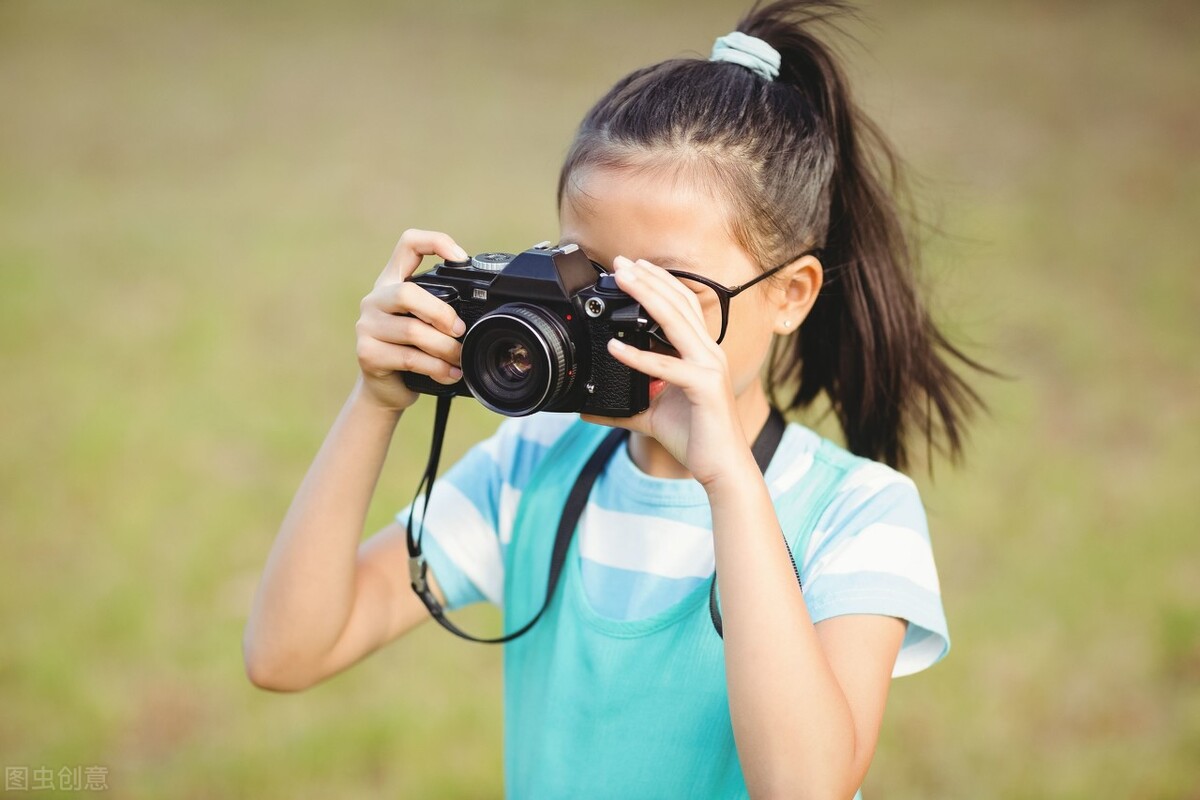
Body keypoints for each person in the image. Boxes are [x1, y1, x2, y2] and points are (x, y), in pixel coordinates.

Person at [243, 1, 986, 797]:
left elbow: (803, 788)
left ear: (790, 296)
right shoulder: (534, 468)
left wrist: (731, 483)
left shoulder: (857, 513)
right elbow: (288, 653)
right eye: (585, 277)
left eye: (664, 290)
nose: (610, 318)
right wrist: (373, 405)